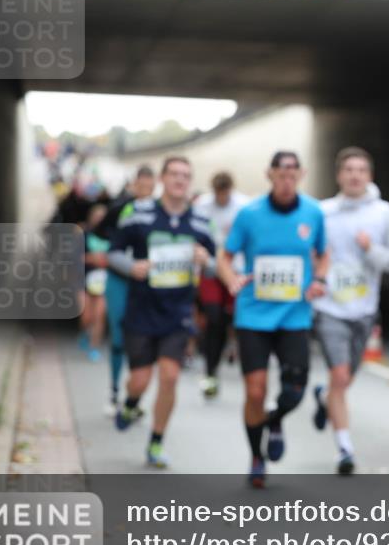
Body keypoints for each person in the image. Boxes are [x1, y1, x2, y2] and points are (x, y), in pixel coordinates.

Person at [217, 151, 327, 488]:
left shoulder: (313, 212)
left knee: (294, 390)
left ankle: (274, 420)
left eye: (293, 172)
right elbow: (225, 256)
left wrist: (319, 280)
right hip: (253, 314)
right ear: (270, 175)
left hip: (294, 315)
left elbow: (323, 254)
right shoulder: (249, 214)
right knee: (255, 390)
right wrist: (230, 279)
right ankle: (256, 456)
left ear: (301, 174)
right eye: (281, 172)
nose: (287, 178)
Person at [108, 156, 215, 468]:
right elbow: (113, 252)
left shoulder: (199, 222)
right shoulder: (137, 214)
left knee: (169, 377)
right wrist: (132, 267)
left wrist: (204, 260)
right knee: (140, 380)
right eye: (174, 174)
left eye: (186, 175)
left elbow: (213, 268)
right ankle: (130, 404)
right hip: (142, 308)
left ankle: (156, 442)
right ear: (163, 179)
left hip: (178, 312)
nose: (180, 180)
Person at [311, 147, 389, 475]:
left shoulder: (383, 213)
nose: (354, 176)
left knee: (344, 379)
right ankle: (345, 449)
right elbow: (307, 253)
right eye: (349, 170)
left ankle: (325, 396)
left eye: (361, 170)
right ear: (338, 175)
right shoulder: (322, 212)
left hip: (364, 309)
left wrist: (371, 250)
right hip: (329, 307)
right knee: (340, 375)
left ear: (370, 176)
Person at [95, 165, 156, 415]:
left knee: (140, 341)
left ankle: (135, 396)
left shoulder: (158, 211)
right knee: (119, 339)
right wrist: (117, 254)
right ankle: (114, 392)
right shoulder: (120, 208)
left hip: (144, 283)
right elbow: (98, 235)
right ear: (134, 184)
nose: (145, 190)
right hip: (119, 279)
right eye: (141, 185)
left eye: (150, 186)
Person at [194, 172, 250, 398]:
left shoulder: (244, 206)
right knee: (213, 318)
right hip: (211, 269)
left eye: (225, 193)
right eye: (219, 193)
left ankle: (230, 352)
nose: (222, 197)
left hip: (236, 270)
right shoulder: (202, 206)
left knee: (231, 319)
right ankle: (210, 370)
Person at [81, 204, 110, 363]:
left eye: (102, 217)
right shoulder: (83, 234)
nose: (100, 220)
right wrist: (92, 258)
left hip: (104, 280)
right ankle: (85, 332)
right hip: (86, 279)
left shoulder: (112, 235)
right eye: (97, 216)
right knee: (87, 316)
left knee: (100, 315)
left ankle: (94, 346)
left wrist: (107, 260)